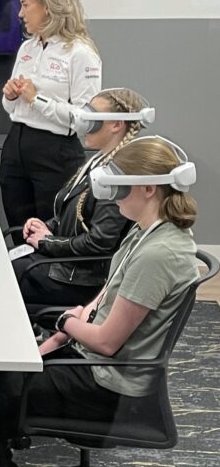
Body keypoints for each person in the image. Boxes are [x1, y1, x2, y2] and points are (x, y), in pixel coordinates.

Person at [0, 137, 199, 467]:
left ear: (149, 188)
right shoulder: (145, 234)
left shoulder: (160, 254)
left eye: (120, 186)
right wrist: (62, 335)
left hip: (108, 390)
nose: (111, 196)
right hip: (89, 362)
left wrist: (63, 321)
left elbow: (108, 340)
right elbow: (105, 298)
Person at [13, 88, 150, 310]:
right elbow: (71, 216)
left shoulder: (116, 177)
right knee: (4, 266)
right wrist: (45, 227)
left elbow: (99, 242)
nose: (82, 126)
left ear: (116, 125)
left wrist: (48, 242)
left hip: (81, 279)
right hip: (65, 265)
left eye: (91, 118)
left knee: (6, 277)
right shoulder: (98, 163)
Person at [0, 0, 102, 232]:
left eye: (25, 5)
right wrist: (10, 96)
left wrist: (37, 100)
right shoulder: (27, 48)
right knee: (19, 230)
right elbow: (11, 108)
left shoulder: (81, 54)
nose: (20, 14)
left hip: (55, 153)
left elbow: (87, 120)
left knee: (49, 233)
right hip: (16, 144)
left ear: (48, 6)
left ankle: (43, 274)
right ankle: (21, 273)